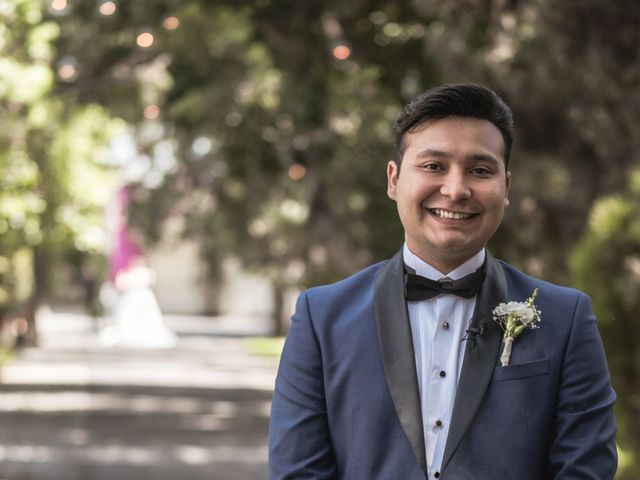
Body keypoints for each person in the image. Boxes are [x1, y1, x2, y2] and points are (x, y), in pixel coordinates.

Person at [268, 83, 617, 479]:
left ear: (506, 187)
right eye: (433, 166)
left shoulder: (566, 318)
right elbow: (297, 471)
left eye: (480, 170)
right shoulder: (322, 317)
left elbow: (584, 470)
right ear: (393, 179)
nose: (455, 190)